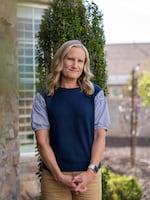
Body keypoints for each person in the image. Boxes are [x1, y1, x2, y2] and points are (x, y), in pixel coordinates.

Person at [31, 39, 110, 200]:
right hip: (54, 177)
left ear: (84, 65)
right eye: (70, 59)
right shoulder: (44, 96)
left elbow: (100, 135)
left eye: (80, 61)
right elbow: (42, 141)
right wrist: (59, 176)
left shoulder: (95, 94)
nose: (75, 65)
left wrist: (90, 172)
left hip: (89, 177)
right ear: (60, 60)